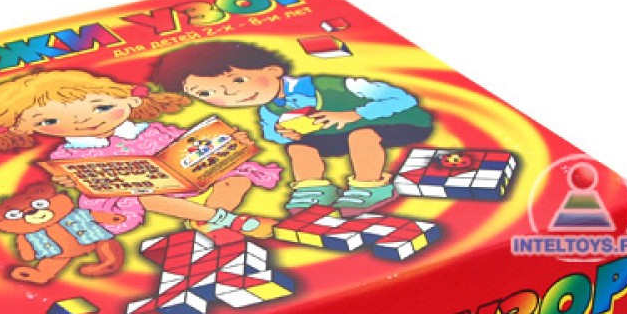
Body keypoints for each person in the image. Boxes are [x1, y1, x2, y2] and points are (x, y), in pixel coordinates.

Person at [0, 68, 280, 233]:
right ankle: (225, 221)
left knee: (237, 177)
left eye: (101, 107)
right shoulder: (70, 155)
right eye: (49, 120)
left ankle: (207, 220)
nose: (84, 120)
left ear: (130, 101)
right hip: (143, 191)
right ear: (23, 128)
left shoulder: (151, 130)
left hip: (191, 173)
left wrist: (228, 142)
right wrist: (72, 181)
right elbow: (80, 178)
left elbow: (191, 140)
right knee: (146, 197)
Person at [151, 40, 433, 214]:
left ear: (272, 71)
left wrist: (354, 113)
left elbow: (402, 99)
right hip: (333, 134)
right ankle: (315, 190)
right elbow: (272, 134)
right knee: (299, 149)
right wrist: (286, 134)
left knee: (362, 136)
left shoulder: (336, 85)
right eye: (207, 93)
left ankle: (371, 186)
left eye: (238, 81)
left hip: (397, 121)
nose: (231, 94)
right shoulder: (269, 110)